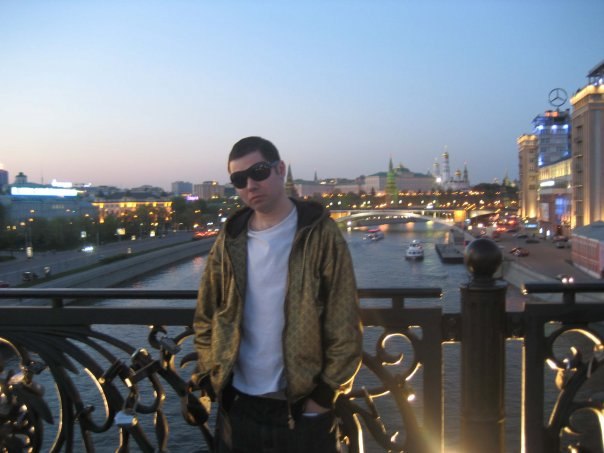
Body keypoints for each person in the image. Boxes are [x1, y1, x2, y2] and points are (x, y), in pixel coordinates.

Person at [193, 136, 363, 453]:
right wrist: (210, 374)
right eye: (239, 179)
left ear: (280, 169)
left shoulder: (320, 233)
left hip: (301, 407)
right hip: (238, 404)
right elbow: (206, 313)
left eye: (258, 172)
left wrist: (324, 396)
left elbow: (345, 321)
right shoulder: (230, 237)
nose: (250, 185)